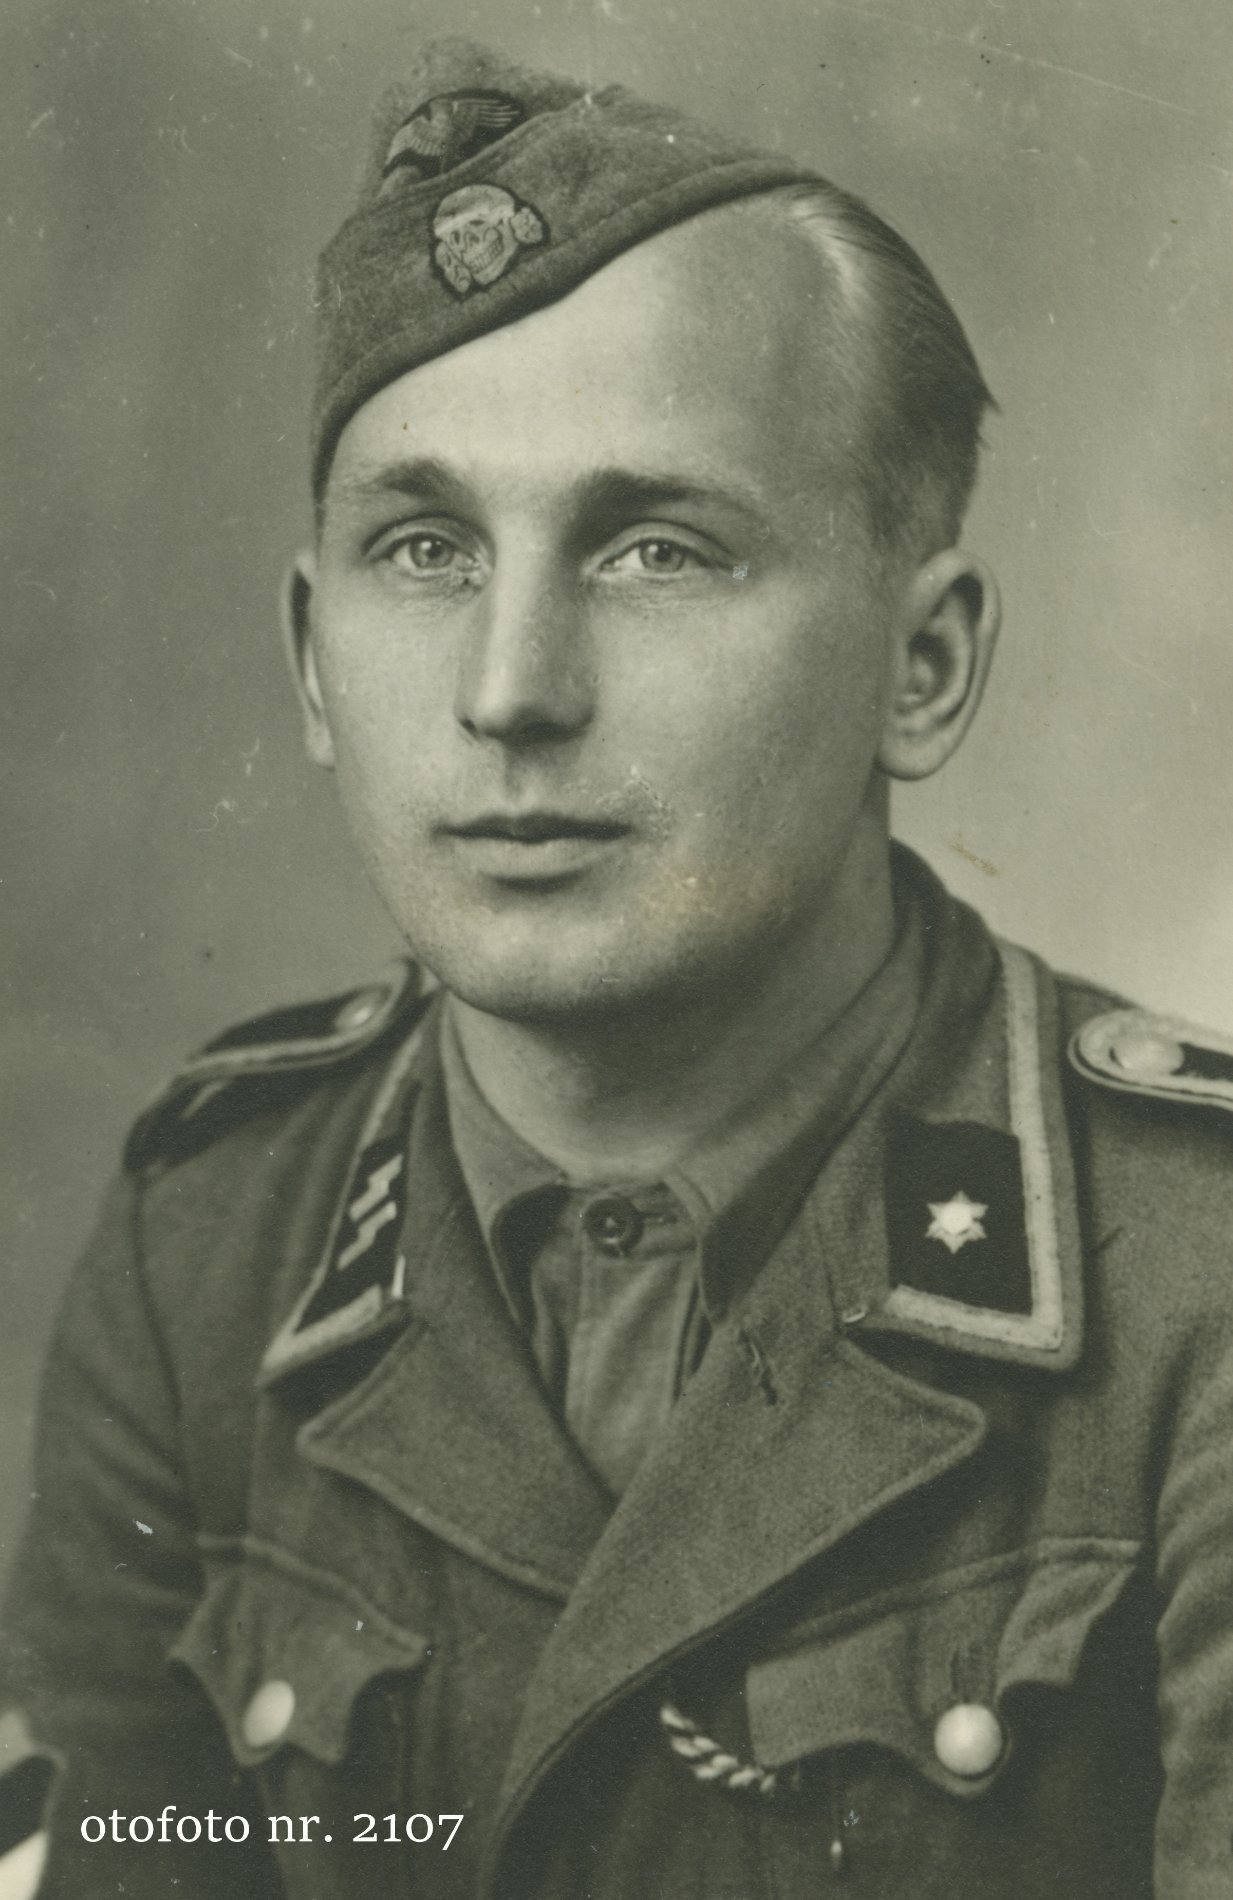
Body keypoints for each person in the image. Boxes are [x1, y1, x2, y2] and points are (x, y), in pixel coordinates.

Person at [3, 34, 1233, 1900]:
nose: (509, 689)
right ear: (314, 661)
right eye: (425, 547)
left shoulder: (1195, 1281)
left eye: (655, 550)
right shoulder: (214, 1234)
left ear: (921, 668)